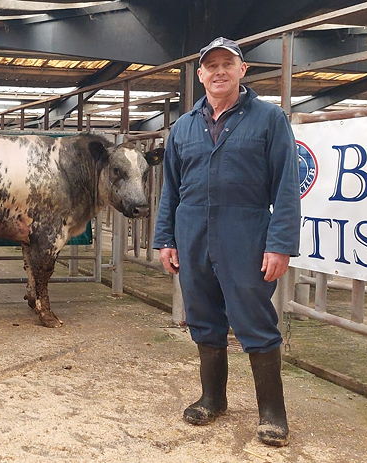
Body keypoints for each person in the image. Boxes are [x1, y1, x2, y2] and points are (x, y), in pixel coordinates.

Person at [153, 37, 300, 447]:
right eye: (210, 66)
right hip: (192, 233)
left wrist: (281, 243)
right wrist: (166, 237)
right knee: (202, 315)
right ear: (200, 74)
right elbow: (172, 190)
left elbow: (286, 186)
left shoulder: (269, 119)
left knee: (254, 319)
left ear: (243, 70)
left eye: (227, 64)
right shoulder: (183, 126)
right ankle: (212, 398)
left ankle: (272, 412)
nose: (219, 72)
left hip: (246, 232)